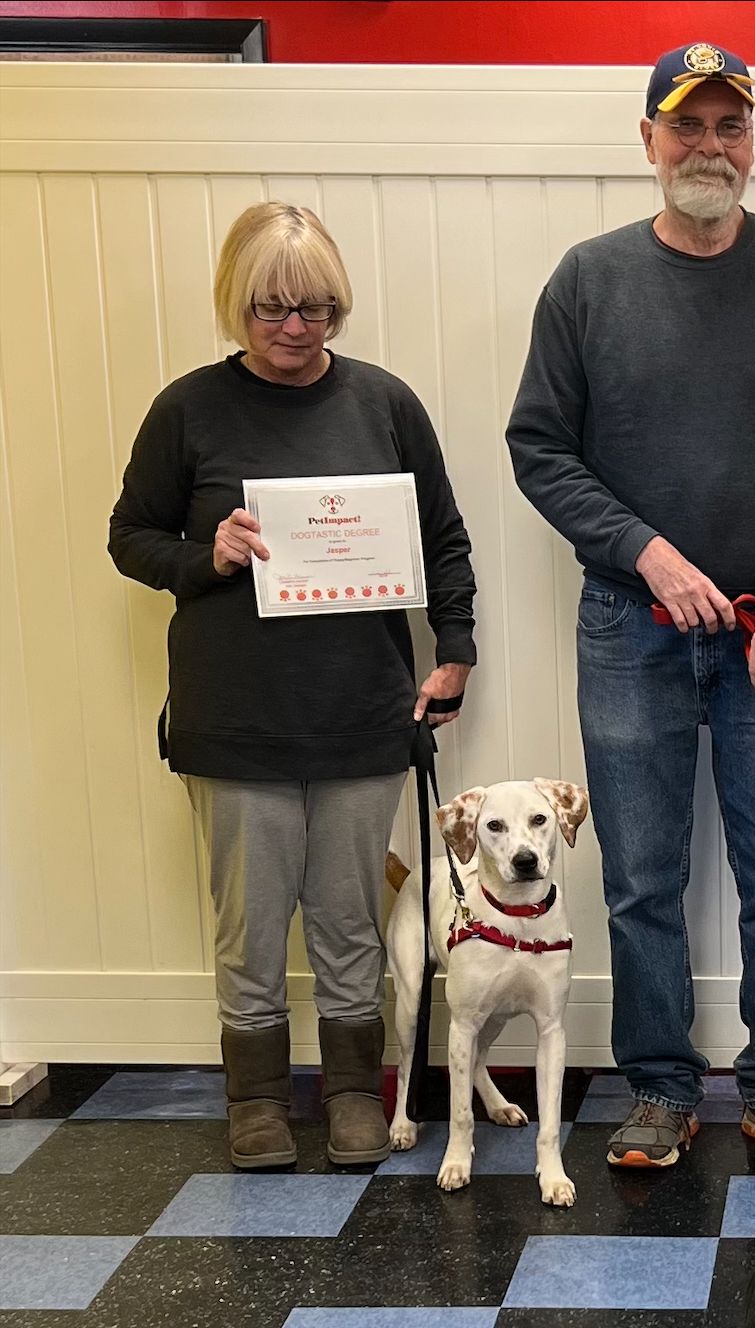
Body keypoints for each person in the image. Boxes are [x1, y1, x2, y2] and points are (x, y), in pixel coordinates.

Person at [507, 40, 755, 1172]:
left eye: (731, 126)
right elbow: (540, 450)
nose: (711, 146)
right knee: (642, 873)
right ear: (648, 139)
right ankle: (657, 1085)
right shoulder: (587, 278)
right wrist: (646, 553)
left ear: (751, 143)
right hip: (630, 627)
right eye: (688, 125)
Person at [109, 202, 477, 1172]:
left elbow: (442, 536)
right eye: (272, 308)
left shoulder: (383, 404)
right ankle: (259, 1100)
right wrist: (207, 553)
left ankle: (356, 1092)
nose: (294, 328)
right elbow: (129, 538)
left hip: (361, 712)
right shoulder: (187, 409)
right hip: (234, 721)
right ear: (238, 304)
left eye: (315, 308)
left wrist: (456, 645)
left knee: (352, 919)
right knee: (249, 923)